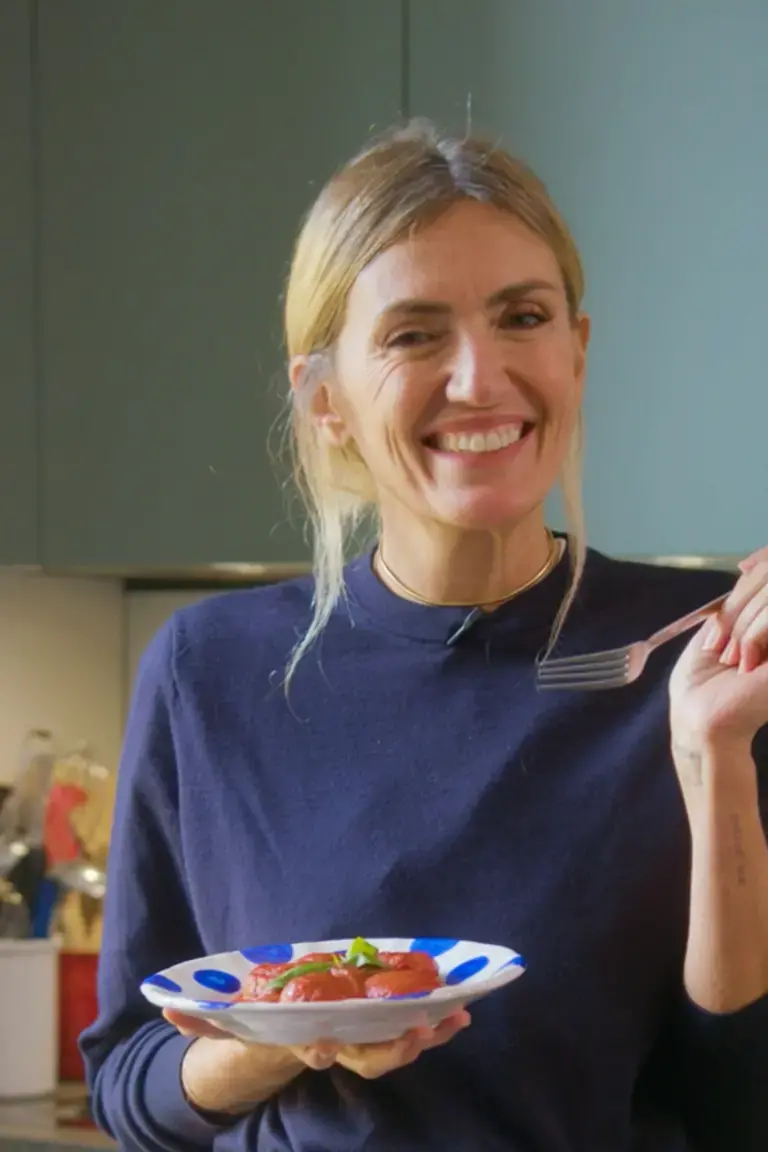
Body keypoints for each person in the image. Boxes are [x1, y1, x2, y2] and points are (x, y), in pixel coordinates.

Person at [80, 120, 768, 1152]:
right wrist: (287, 1033)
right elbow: (130, 1089)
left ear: (576, 353)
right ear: (326, 402)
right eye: (413, 334)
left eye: (522, 317)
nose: (479, 378)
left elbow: (742, 1108)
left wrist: (712, 760)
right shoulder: (205, 670)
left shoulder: (710, 652)